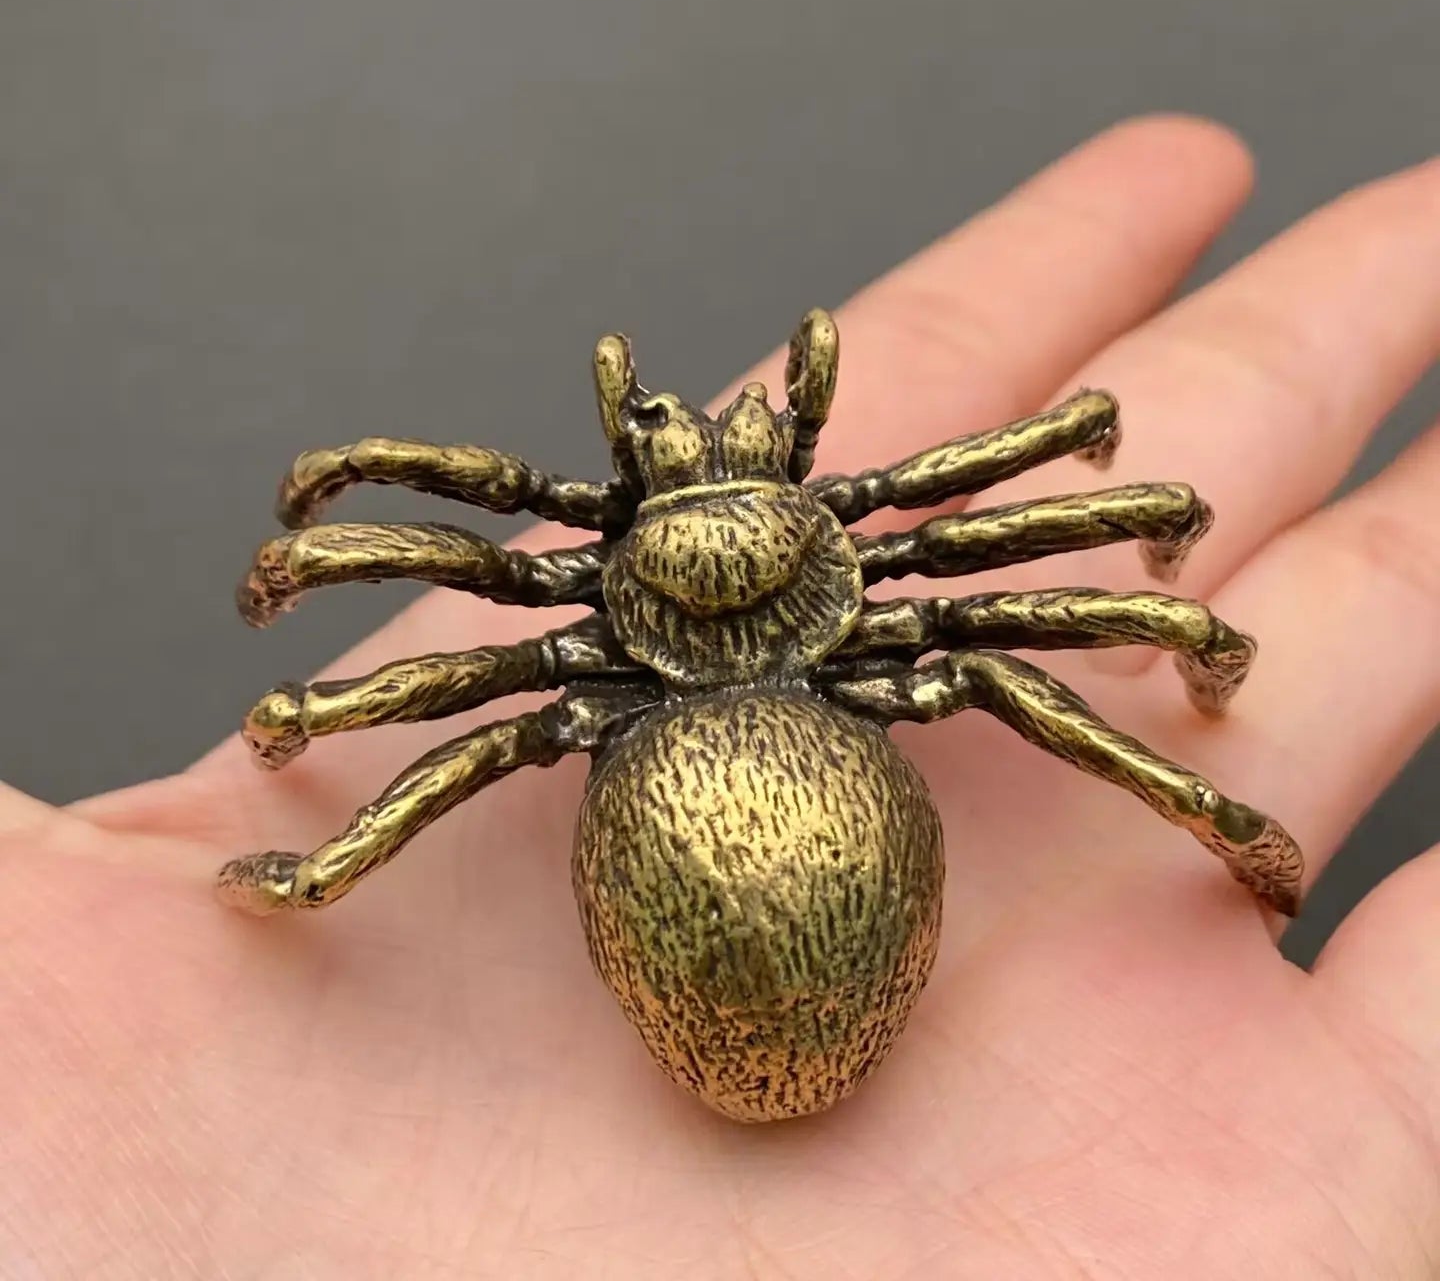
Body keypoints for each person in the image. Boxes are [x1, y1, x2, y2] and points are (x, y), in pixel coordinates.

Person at [3, 115, 1437, 1279]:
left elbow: (441, 594)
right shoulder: (911, 597)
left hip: (684, 831)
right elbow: (1121, 522)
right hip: (801, 829)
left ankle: (317, 877)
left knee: (487, 736)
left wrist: (305, 741)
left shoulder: (555, 664)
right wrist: (1191, 633)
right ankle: (1217, 817)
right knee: (1006, 666)